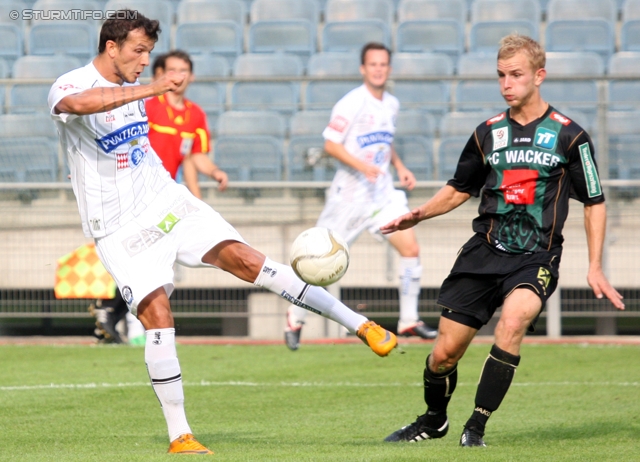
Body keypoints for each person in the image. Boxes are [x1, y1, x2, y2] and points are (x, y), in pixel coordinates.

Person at [48, 11, 397, 455]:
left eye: (149, 54)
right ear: (111, 47)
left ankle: (362, 325)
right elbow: (77, 106)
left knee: (253, 261)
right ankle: (181, 436)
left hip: (168, 200)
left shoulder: (136, 90)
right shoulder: (70, 84)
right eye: (139, 52)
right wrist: (150, 87)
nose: (144, 61)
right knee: (158, 316)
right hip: (119, 227)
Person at [380, 34, 625, 448]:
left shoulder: (571, 136)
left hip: (536, 258)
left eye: (516, 75)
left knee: (512, 324)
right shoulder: (487, 133)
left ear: (539, 76)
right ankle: (434, 419)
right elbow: (460, 188)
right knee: (443, 356)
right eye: (500, 75)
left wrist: (595, 265)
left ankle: (474, 428)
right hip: (483, 253)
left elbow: (595, 202)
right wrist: (419, 214)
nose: (506, 84)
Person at [284, 42, 437, 351]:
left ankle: (408, 319)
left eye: (383, 64)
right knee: (320, 266)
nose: (378, 69)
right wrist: (362, 166)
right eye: (373, 64)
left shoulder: (391, 104)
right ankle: (294, 316)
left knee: (410, 247)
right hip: (349, 198)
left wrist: (400, 166)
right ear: (363, 69)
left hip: (381, 195)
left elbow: (385, 142)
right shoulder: (351, 102)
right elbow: (331, 144)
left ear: (389, 69)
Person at [146, 50, 225, 199]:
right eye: (172, 70)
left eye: (183, 71)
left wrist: (215, 172)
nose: (178, 75)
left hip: (167, 191)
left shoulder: (197, 114)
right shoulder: (148, 107)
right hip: (140, 188)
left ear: (191, 76)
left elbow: (194, 156)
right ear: (162, 74)